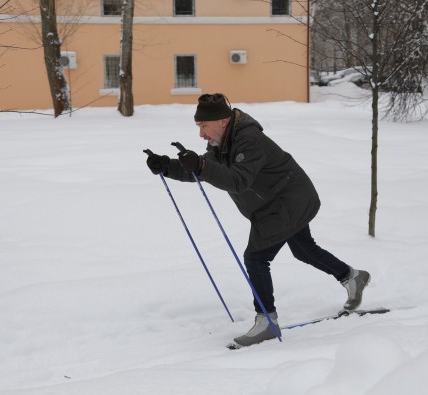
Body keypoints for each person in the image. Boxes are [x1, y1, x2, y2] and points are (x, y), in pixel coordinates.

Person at [146, 93, 371, 348]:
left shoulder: (248, 140)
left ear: (222, 121)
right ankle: (352, 276)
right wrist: (168, 166)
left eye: (203, 126)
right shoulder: (223, 141)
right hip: (275, 204)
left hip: (287, 201)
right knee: (304, 250)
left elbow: (238, 181)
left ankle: (267, 321)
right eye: (198, 127)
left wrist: (199, 166)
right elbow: (207, 169)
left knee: (256, 258)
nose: (201, 134)